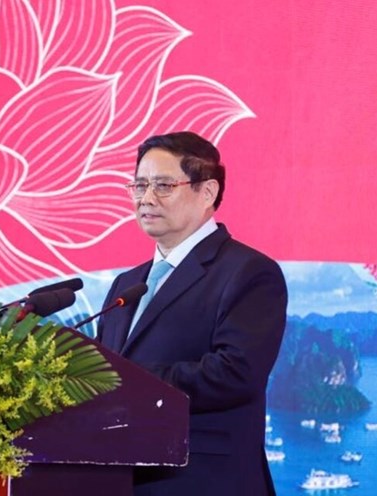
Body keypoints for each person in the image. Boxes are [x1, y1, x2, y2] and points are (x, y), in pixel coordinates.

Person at [95, 131, 288, 495]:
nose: (146, 198)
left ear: (208, 192)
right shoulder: (126, 284)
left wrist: (128, 381)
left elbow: (235, 373)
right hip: (122, 481)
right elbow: (100, 370)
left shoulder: (248, 272)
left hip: (205, 481)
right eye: (139, 186)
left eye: (163, 185)